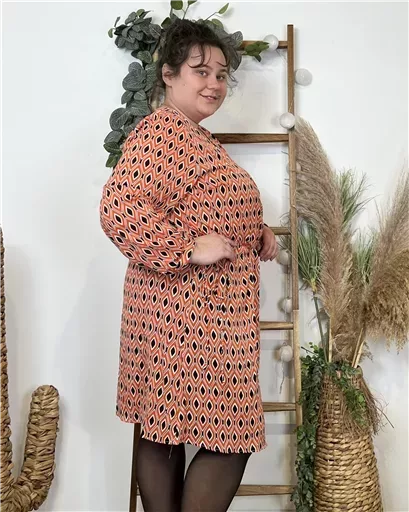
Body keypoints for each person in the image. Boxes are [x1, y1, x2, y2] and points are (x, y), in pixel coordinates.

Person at [100, 18, 278, 512]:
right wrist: (187, 249)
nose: (214, 84)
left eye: (221, 74)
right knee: (218, 435)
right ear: (169, 75)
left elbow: (199, 205)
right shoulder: (164, 132)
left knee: (165, 428)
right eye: (201, 71)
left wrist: (252, 230)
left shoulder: (195, 137)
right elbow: (119, 208)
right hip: (183, 313)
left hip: (202, 316)